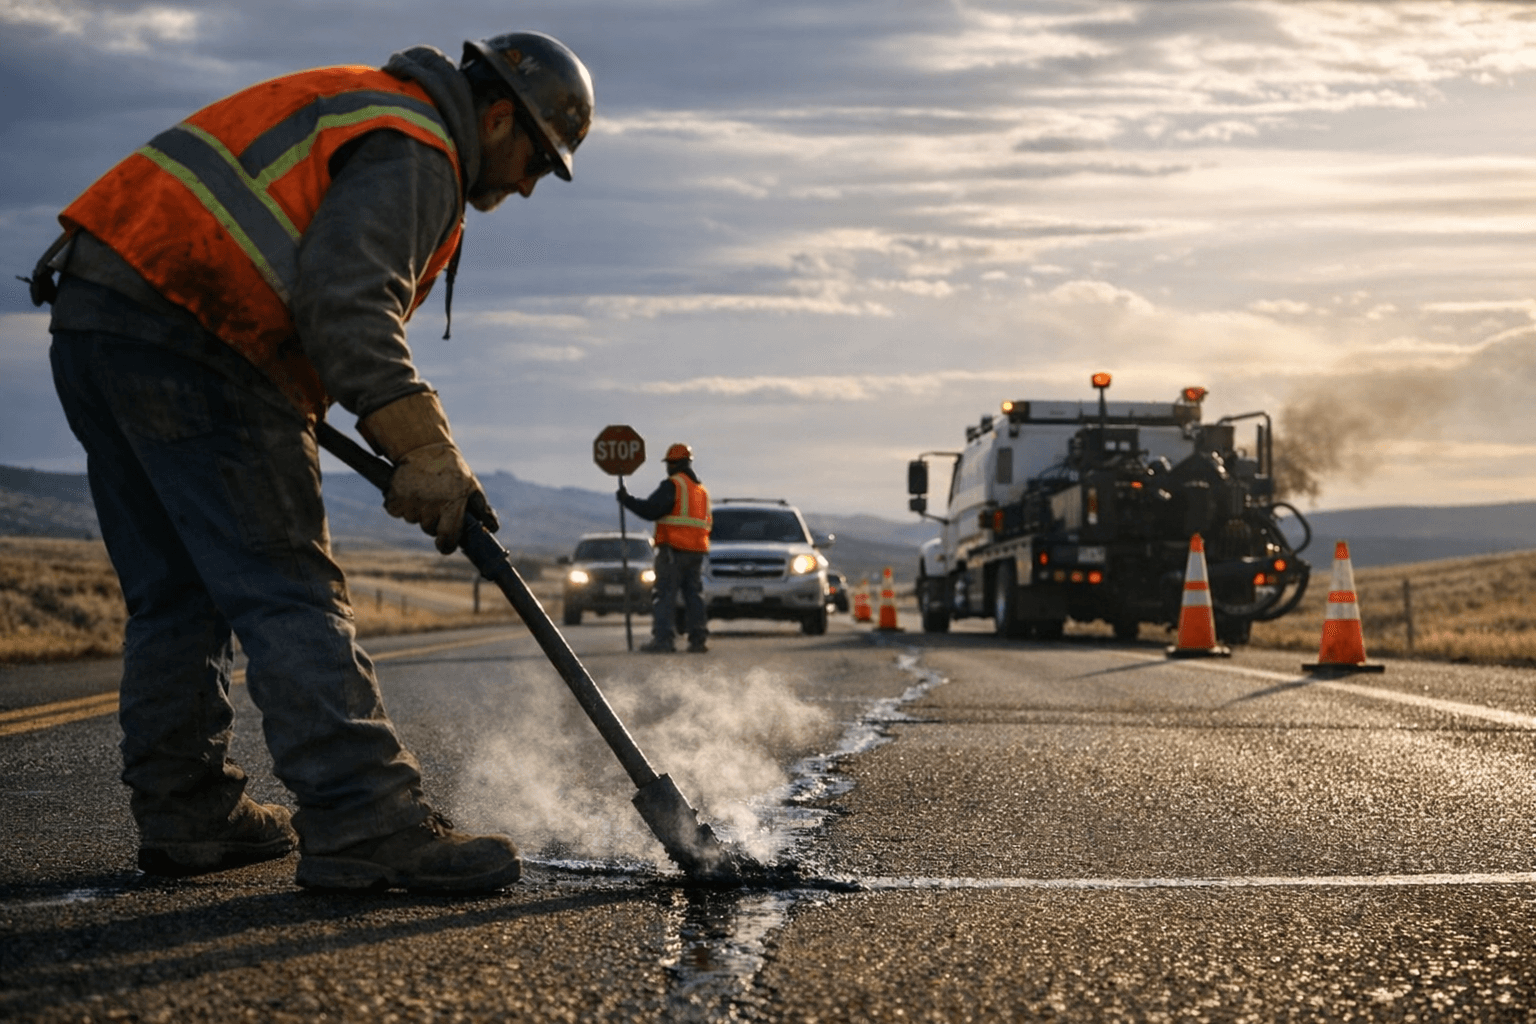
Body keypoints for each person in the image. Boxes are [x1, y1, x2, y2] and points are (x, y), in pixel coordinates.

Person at [25, 31, 594, 893]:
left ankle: (189, 814)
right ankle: (366, 821)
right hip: (200, 329)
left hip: (100, 318)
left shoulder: (361, 106)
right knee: (289, 587)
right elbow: (347, 302)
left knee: (178, 594)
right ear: (500, 117)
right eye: (537, 163)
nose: (525, 186)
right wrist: (423, 448)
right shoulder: (416, 145)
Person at [618, 444, 712, 653]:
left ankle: (664, 640)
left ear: (674, 463)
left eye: (669, 463)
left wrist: (627, 500)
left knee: (665, 595)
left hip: (673, 551)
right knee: (694, 595)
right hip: (697, 552)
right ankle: (698, 639)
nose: (667, 468)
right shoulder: (701, 490)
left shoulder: (674, 485)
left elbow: (651, 510)